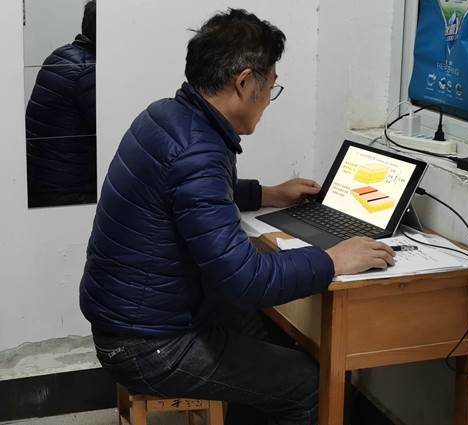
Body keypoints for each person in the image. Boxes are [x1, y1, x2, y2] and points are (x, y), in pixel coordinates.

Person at [79, 9, 395, 425]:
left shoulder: (169, 117)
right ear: (244, 83)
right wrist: (333, 260)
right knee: (310, 385)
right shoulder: (198, 150)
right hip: (147, 345)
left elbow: (193, 196)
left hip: (134, 317)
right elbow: (243, 279)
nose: (268, 102)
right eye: (271, 88)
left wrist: (268, 194)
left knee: (274, 338)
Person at [26, 0, 97, 208]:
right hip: (69, 190)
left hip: (42, 180)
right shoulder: (90, 70)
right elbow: (109, 133)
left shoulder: (59, 55)